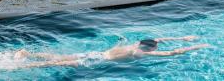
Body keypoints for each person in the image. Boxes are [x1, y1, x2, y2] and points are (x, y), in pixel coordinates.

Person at [12, 36, 209, 69]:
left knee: (57, 58)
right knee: (56, 63)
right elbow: (172, 53)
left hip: (94, 53)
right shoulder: (138, 54)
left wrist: (184, 37)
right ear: (149, 49)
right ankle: (26, 65)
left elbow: (157, 39)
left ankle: (26, 53)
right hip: (95, 62)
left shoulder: (134, 44)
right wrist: (196, 46)